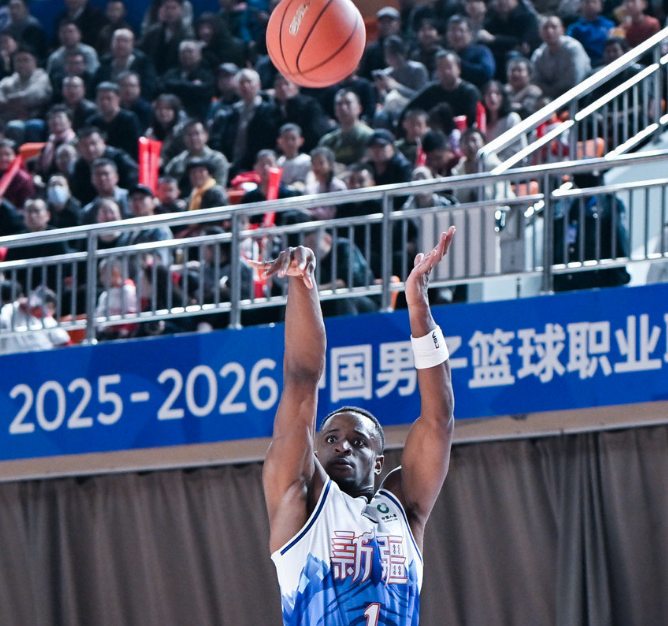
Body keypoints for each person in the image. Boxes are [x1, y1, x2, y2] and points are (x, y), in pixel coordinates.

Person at [257, 227, 456, 625]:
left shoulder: (404, 508)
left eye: (358, 442)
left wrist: (418, 307)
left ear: (379, 463)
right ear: (315, 452)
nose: (342, 446)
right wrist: (302, 283)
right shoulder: (298, 499)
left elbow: (439, 421)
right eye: (331, 438)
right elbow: (301, 378)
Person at [531, 15, 591, 100]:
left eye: (554, 27)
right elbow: (535, 81)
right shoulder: (539, 54)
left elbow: (574, 79)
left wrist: (550, 91)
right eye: (545, 28)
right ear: (540, 33)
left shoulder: (573, 48)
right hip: (551, 97)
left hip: (580, 96)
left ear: (562, 30)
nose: (549, 31)